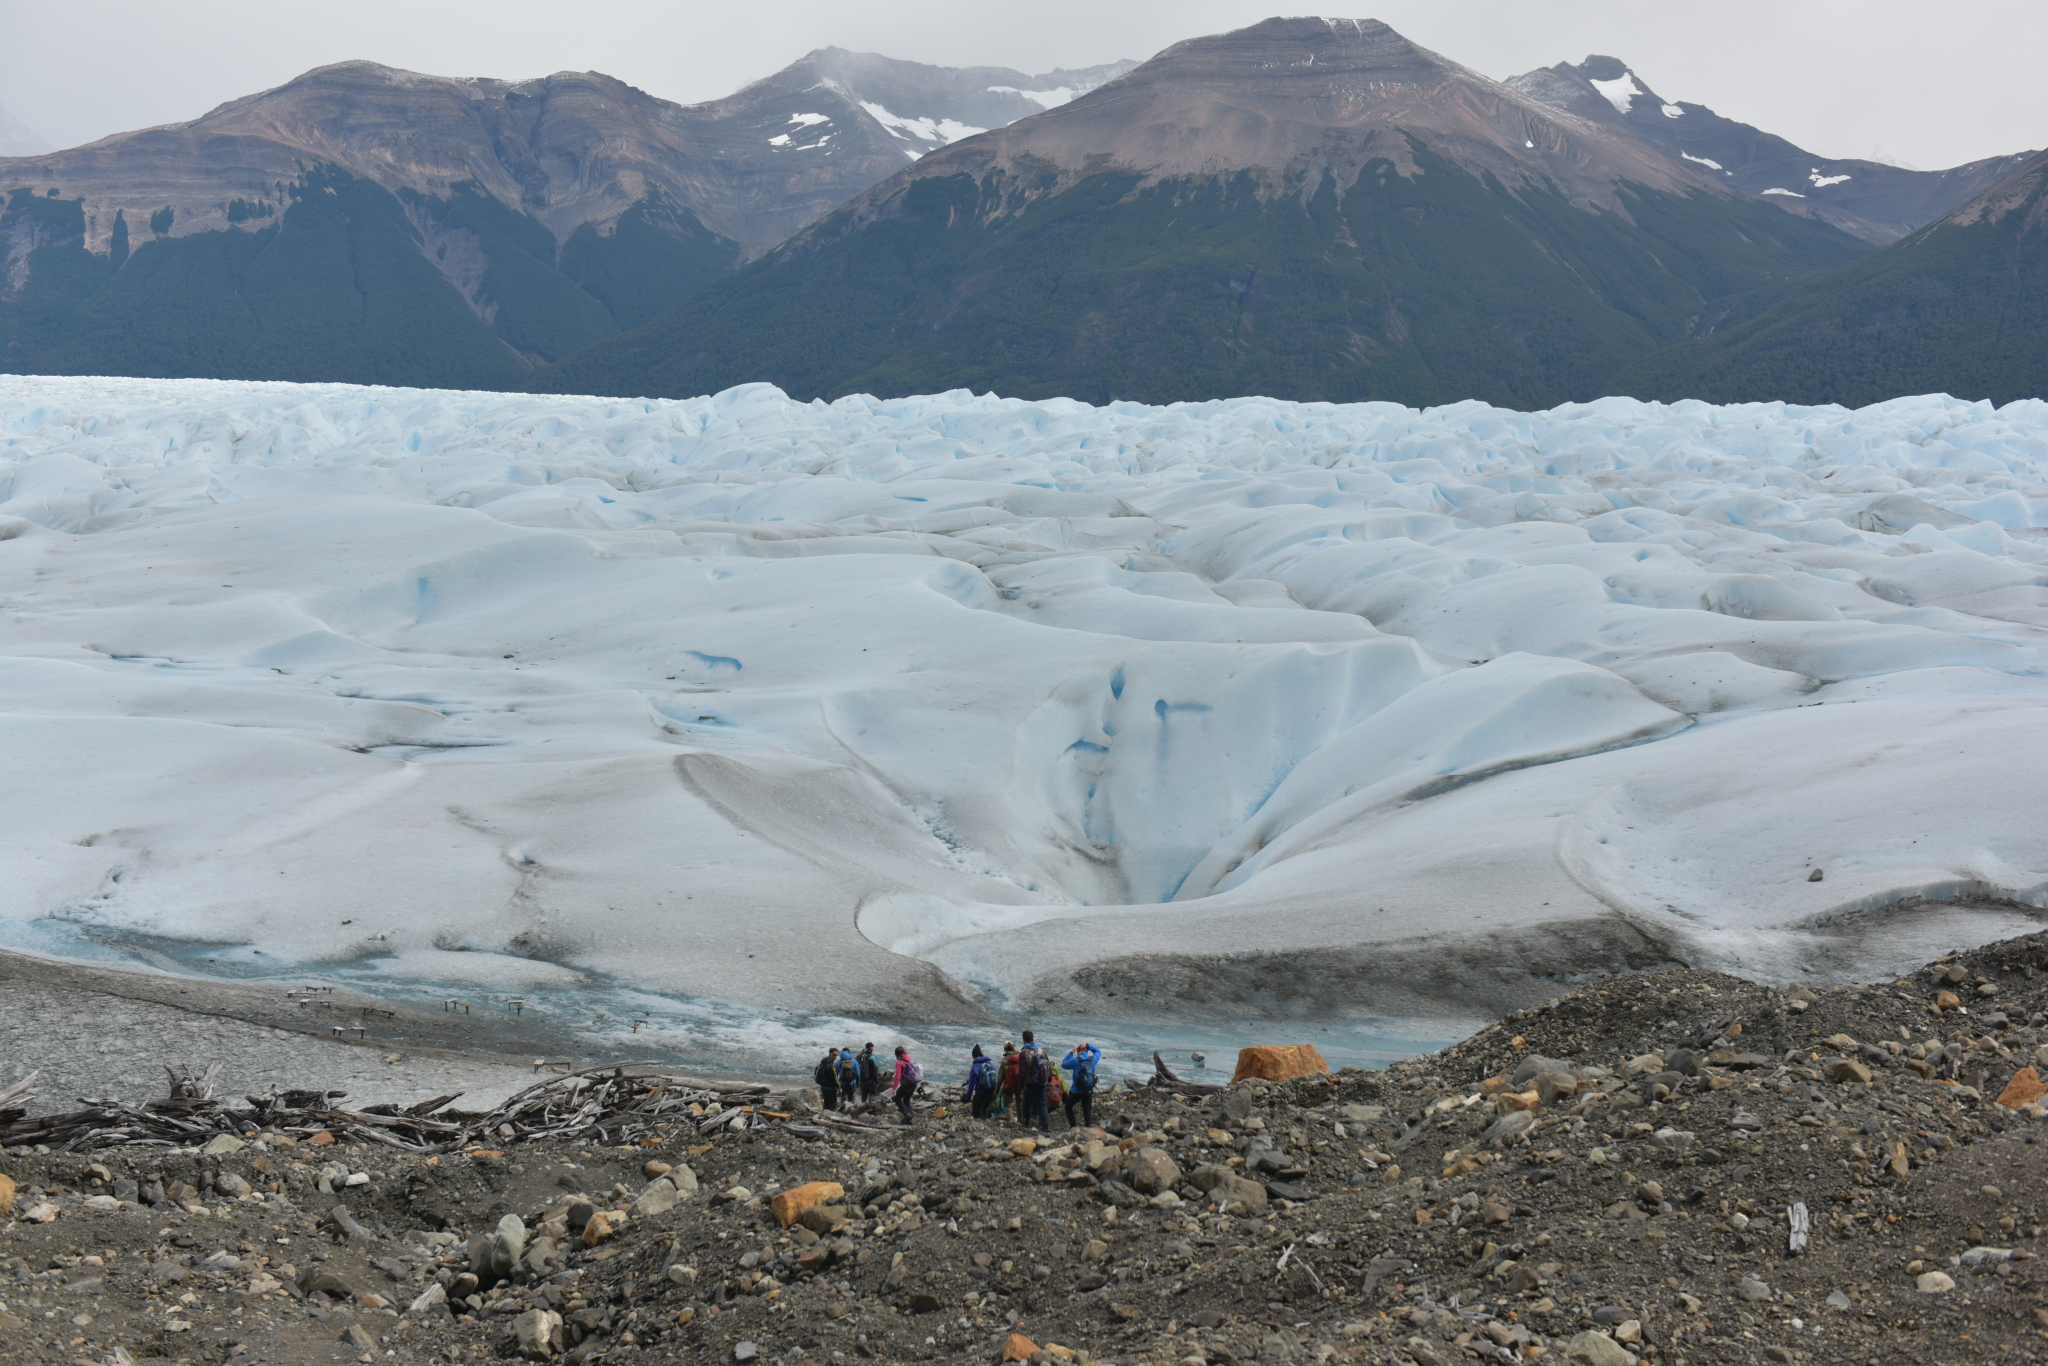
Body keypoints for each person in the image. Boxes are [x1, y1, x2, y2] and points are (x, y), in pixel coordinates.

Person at [1017, 1029, 1051, 1133]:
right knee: (1042, 1103)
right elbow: (1048, 1066)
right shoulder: (1041, 1051)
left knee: (1026, 1103)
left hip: (1030, 1083)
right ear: (1033, 1039)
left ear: (1024, 1040)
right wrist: (1049, 1079)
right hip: (1042, 1082)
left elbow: (1022, 1072)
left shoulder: (1023, 1053)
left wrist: (1020, 1086)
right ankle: (1045, 1125)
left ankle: (1026, 1122)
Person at [1061, 1041, 1101, 1129]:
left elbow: (1063, 1064)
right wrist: (1088, 1045)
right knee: (1087, 1108)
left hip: (1076, 1090)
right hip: (1088, 1089)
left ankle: (1073, 1127)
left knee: (1068, 1107)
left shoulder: (1075, 1060)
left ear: (1078, 1051)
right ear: (1087, 1051)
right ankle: (1089, 1125)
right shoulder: (1093, 1059)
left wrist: (1071, 1053)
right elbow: (1098, 1051)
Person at [892, 1044, 923, 1124]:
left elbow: (898, 1077)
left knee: (897, 1099)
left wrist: (894, 1088)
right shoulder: (908, 1059)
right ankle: (910, 1118)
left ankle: (907, 1114)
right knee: (907, 1099)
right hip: (913, 1083)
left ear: (896, 1054)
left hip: (906, 1084)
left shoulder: (899, 1063)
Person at [966, 1045, 997, 1119]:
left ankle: (980, 1126)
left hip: (981, 1092)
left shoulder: (975, 1067)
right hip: (991, 1092)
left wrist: (968, 1097)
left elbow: (971, 1084)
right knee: (985, 1110)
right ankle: (986, 1123)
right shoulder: (990, 1064)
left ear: (974, 1056)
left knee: (977, 1113)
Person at [814, 1047, 842, 1111]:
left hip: (823, 1086)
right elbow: (834, 1077)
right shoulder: (831, 1065)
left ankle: (824, 1115)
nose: (836, 1057)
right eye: (834, 1055)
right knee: (833, 1105)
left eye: (837, 1055)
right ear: (830, 1054)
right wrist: (839, 1085)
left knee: (826, 1103)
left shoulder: (823, 1062)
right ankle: (831, 1116)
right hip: (830, 1088)